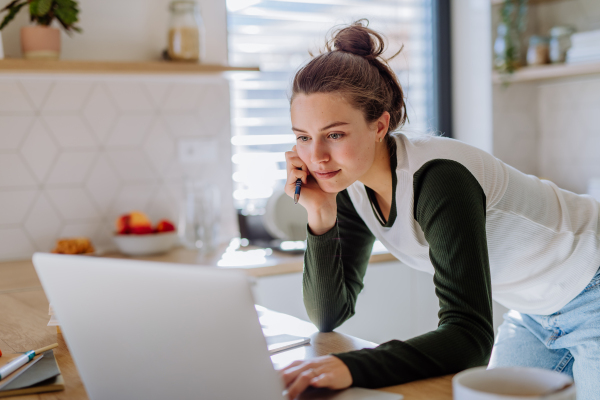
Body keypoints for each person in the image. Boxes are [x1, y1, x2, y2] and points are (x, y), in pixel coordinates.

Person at [279, 20, 600, 400]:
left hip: (591, 284)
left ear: (380, 126)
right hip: (533, 310)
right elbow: (329, 315)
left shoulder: (439, 179)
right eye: (303, 137)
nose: (315, 157)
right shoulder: (348, 187)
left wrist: (353, 367)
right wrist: (320, 216)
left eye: (334, 135)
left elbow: (468, 335)